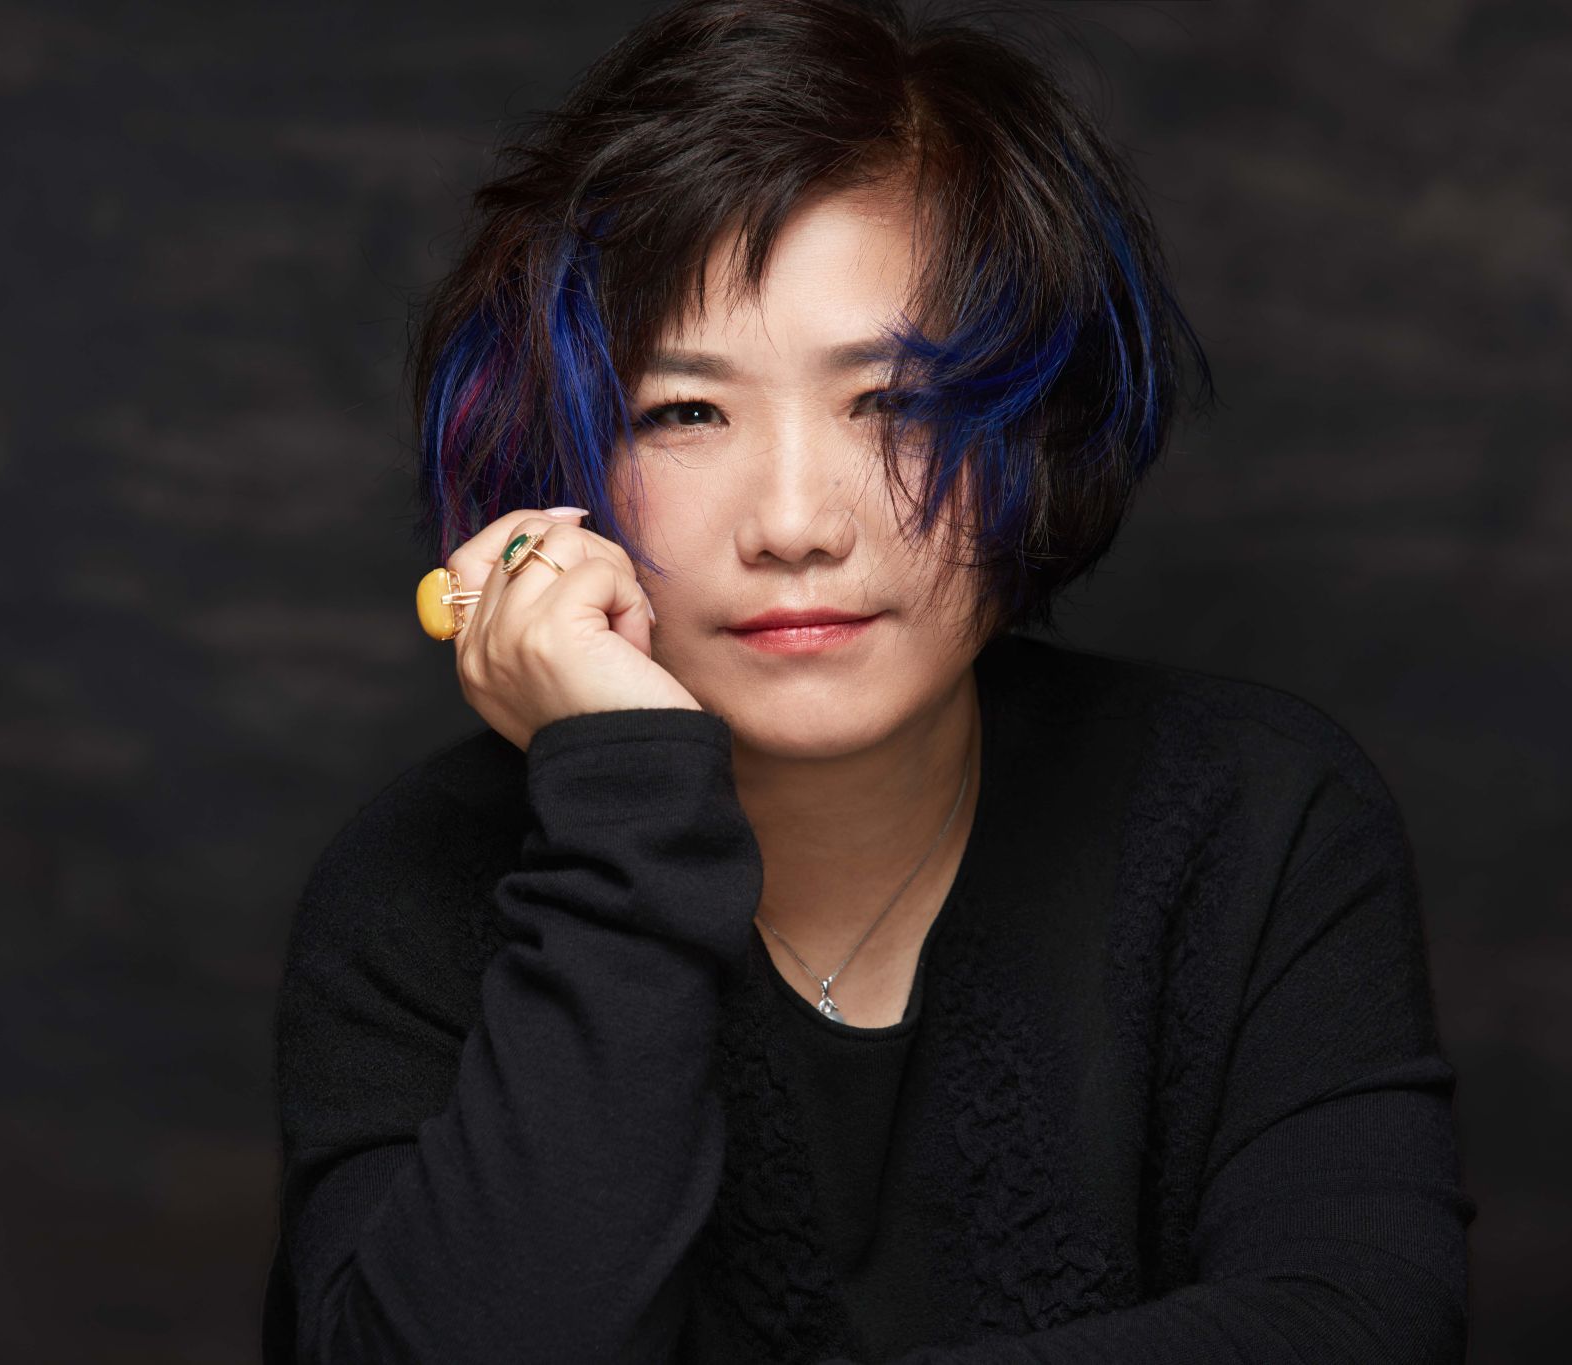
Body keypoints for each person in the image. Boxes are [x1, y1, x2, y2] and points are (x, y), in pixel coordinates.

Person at [263, 1, 1476, 1361]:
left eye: (894, 402)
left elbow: (1360, 1324)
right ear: (560, 476)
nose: (795, 524)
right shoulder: (418, 884)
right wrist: (625, 828)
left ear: (1035, 433)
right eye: (685, 411)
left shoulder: (1253, 820)